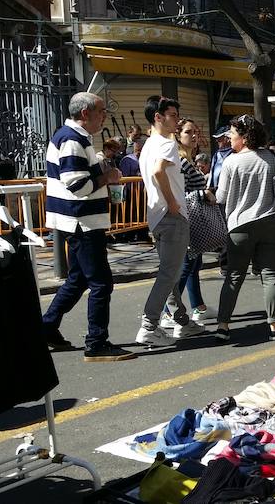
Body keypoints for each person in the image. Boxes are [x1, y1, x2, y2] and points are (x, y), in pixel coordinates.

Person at [40, 92, 135, 361]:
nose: (105, 115)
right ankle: (96, 343)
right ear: (85, 114)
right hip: (81, 220)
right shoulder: (71, 140)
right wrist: (108, 176)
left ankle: (46, 327)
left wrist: (101, 172)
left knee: (78, 279)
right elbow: (77, 185)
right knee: (101, 283)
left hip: (79, 219)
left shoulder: (75, 137)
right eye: (101, 111)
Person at [215, 115, 275, 341]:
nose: (229, 138)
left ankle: (223, 326)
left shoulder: (231, 161)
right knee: (270, 275)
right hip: (272, 221)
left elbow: (221, 196)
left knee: (234, 276)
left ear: (243, 136)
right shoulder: (273, 156)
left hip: (240, 225)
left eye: (232, 133)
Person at [136, 95, 204, 346]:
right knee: (169, 273)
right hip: (171, 216)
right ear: (158, 117)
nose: (176, 120)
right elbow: (158, 172)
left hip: (158, 217)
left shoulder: (148, 146)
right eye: (173, 115)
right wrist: (173, 202)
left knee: (172, 272)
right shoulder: (166, 144)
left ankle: (182, 322)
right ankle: (148, 325)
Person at [157, 118, 216, 327]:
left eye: (196, 131)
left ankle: (198, 306)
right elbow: (181, 192)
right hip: (187, 218)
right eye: (188, 132)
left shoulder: (188, 160)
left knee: (194, 263)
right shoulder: (181, 162)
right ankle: (168, 312)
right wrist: (205, 193)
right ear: (178, 135)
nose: (194, 135)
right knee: (186, 265)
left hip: (193, 218)